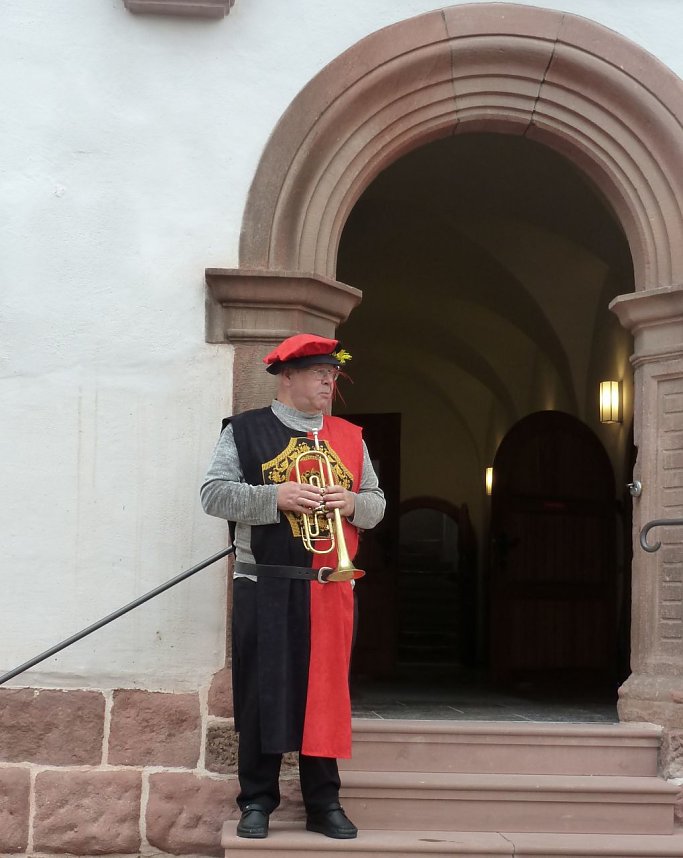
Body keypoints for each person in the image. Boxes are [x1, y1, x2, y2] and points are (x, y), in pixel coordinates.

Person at [200, 333, 385, 840]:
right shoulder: (243, 431)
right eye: (320, 374)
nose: (330, 382)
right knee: (263, 692)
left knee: (324, 694)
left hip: (329, 585)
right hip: (265, 583)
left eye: (333, 374)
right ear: (288, 377)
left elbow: (376, 502)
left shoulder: (349, 436)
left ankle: (324, 803)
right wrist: (275, 496)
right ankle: (256, 801)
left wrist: (349, 503)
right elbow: (214, 495)